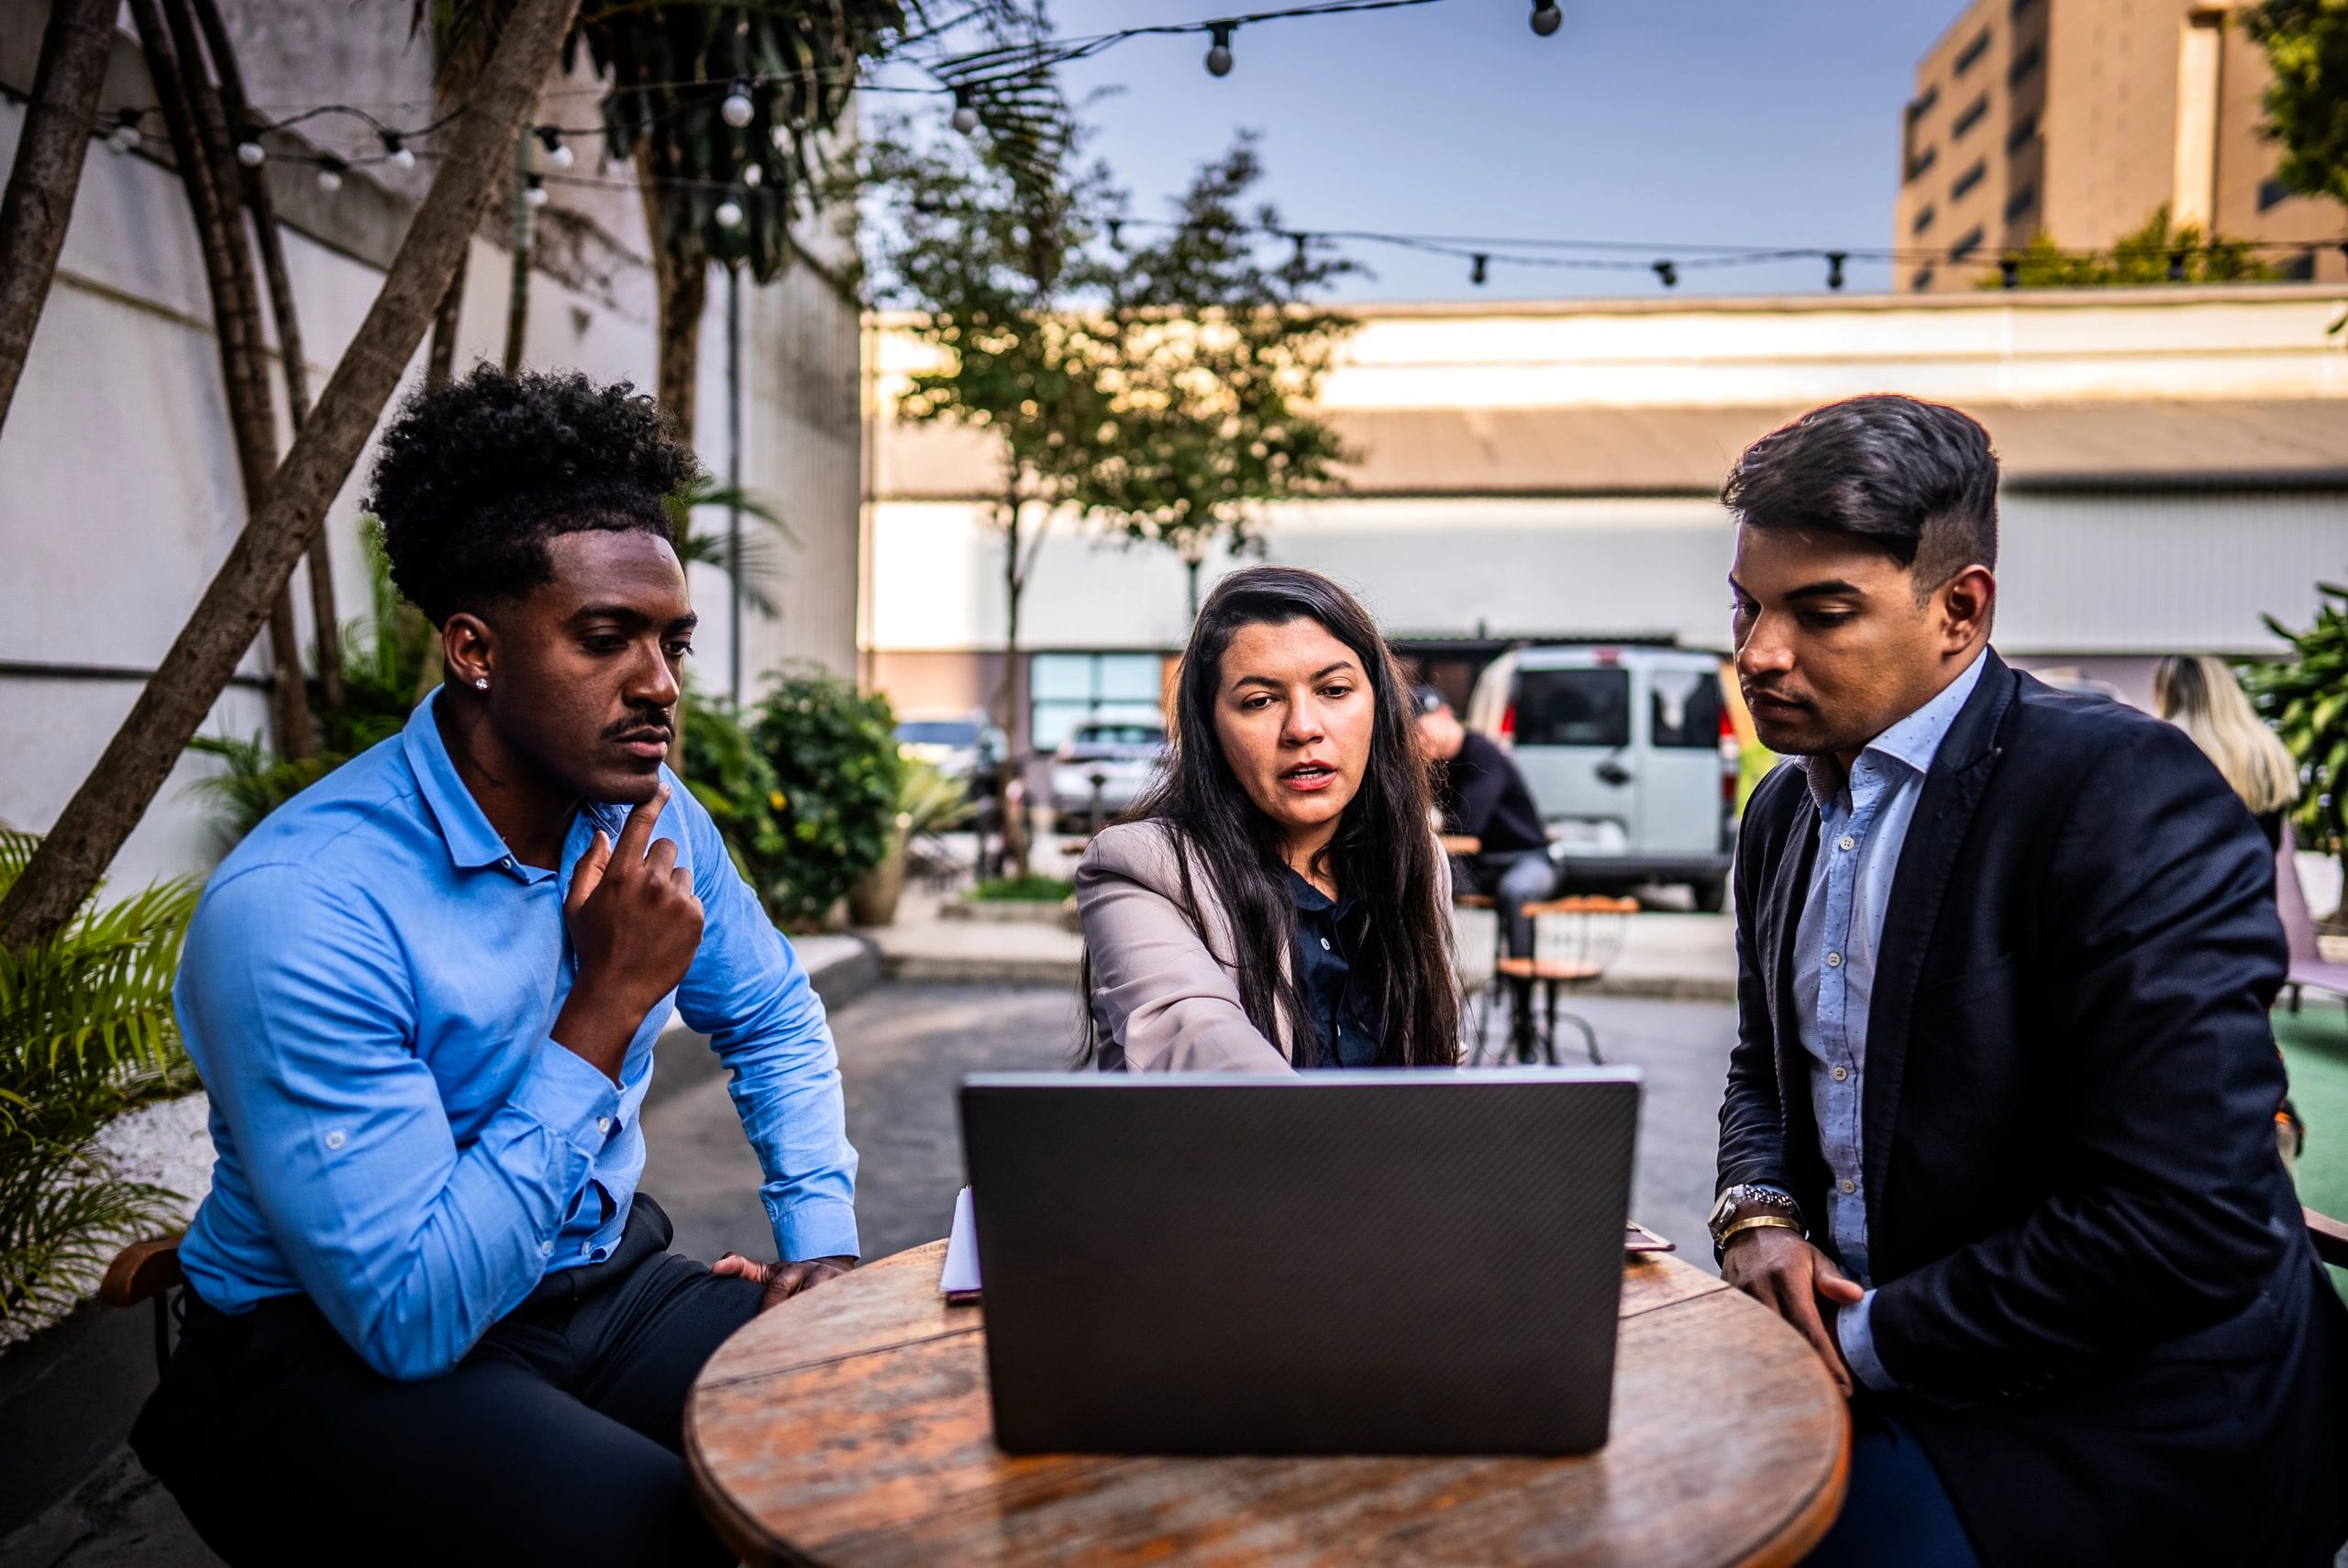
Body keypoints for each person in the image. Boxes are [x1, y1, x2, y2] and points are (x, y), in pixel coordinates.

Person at [130, 368, 860, 1568]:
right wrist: (606, 1005)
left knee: (873, 1415)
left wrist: (818, 1243)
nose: (661, 684)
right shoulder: (302, 907)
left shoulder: (651, 814)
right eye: (605, 638)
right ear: (474, 646)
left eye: (671, 640)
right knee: (656, 1532)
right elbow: (409, 1315)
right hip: (316, 1349)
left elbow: (773, 1012)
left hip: (588, 1286)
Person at [1711, 393, 2345, 1567]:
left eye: (1821, 611)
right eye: (1745, 605)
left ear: (1961, 609)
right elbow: (1765, 1066)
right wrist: (1758, 1214)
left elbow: (2179, 1226)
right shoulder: (1780, 814)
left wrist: (1854, 1346)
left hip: (2122, 1417)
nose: (1757, 653)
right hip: (1873, 1366)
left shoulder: (2119, 795)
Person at [1074, 566, 1458, 1072]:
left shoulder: (1415, 859)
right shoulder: (1140, 868)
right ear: (1211, 730)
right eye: (1260, 701)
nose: (1303, 728)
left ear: (1379, 707)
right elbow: (1199, 1045)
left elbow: (1442, 1060)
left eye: (1335, 690)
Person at [1412, 686, 1555, 957]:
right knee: (1418, 881)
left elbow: (1469, 823)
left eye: (1419, 730)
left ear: (1444, 714)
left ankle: (1519, 986)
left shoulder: (1482, 753)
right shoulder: (1434, 765)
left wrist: (1433, 823)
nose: (1416, 741)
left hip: (1526, 858)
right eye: (1409, 735)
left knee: (1516, 891)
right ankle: (1432, 971)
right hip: (1478, 865)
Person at [2155, 652, 2300, 851]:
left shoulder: (2164, 749)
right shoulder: (2268, 751)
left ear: (2167, 693)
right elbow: (2273, 842)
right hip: (2254, 878)